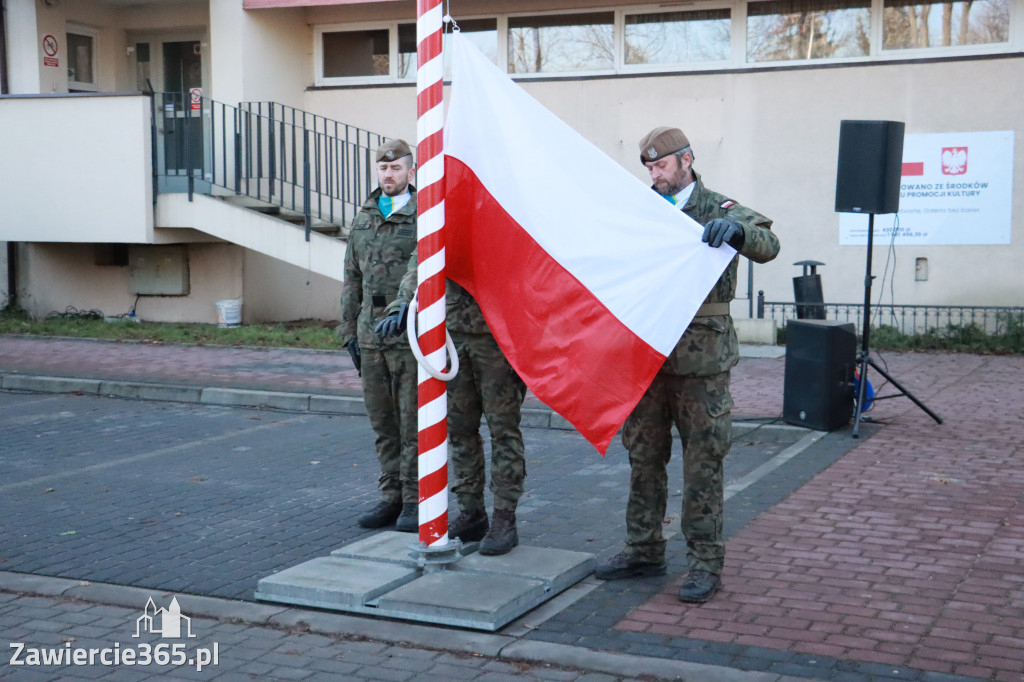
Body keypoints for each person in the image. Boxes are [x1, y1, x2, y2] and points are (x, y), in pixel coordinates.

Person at [594, 127, 780, 603]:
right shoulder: (641, 211)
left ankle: (704, 563)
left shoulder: (719, 208)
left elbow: (768, 243)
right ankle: (643, 548)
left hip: (701, 361)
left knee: (703, 464)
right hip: (647, 356)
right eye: (649, 168)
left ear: (687, 160)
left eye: (661, 165)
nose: (655, 175)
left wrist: (737, 233)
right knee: (643, 459)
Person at [377, 270, 528, 555]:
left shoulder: (506, 223)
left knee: (503, 431)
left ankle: (504, 517)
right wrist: (401, 305)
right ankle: (472, 512)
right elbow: (422, 263)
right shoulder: (449, 224)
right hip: (452, 336)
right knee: (459, 430)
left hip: (498, 337)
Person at [338, 139, 420, 533]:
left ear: (410, 172)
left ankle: (417, 499)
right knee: (383, 423)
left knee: (412, 422)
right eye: (383, 169)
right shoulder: (365, 215)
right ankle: (391, 497)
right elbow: (352, 275)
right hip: (370, 334)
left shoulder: (424, 215)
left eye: (396, 169)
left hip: (409, 334)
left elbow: (424, 271)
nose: (389, 175)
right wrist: (347, 329)